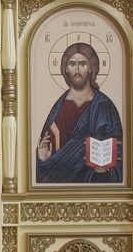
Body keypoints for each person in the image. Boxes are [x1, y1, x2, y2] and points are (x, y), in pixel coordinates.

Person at [36, 42, 123, 183]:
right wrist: (42, 159)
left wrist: (107, 166)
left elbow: (119, 149)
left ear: (91, 68)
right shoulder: (58, 108)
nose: (77, 70)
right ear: (66, 69)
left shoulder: (104, 106)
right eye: (72, 64)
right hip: (60, 182)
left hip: (93, 182)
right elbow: (46, 158)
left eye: (82, 64)